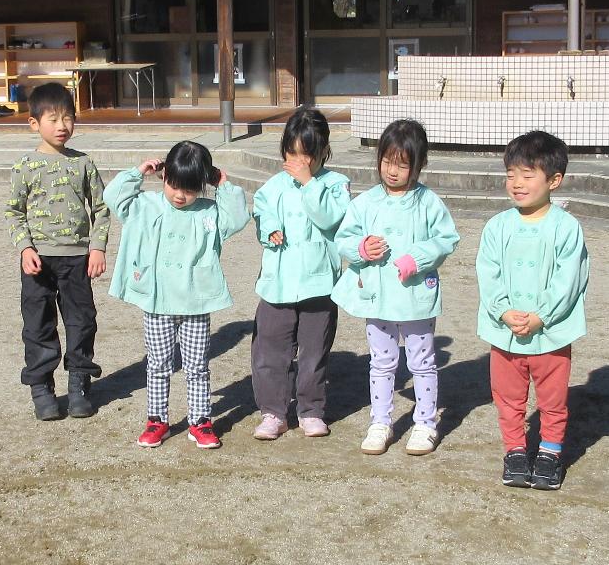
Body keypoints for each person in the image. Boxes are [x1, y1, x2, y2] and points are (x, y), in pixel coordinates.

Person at [106, 139, 250, 449]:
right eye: (174, 184)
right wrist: (137, 172)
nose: (180, 195)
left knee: (197, 366)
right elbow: (113, 198)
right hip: (157, 301)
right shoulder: (145, 206)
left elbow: (238, 218)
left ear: (202, 184)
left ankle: (200, 421)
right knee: (158, 364)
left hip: (196, 301)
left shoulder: (210, 212)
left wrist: (222, 183)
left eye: (190, 188)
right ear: (164, 175)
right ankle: (157, 420)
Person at [334, 118, 459, 456]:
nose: (392, 171)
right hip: (378, 297)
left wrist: (417, 257)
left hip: (416, 295)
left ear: (420, 165)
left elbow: (447, 238)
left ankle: (425, 423)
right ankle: (380, 421)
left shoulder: (428, 201)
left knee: (422, 362)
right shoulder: (366, 202)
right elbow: (343, 239)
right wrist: (361, 248)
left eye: (403, 165)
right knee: (382, 362)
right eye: (387, 161)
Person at [477, 130, 589, 490]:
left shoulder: (566, 228)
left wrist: (543, 315)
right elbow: (487, 271)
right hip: (505, 331)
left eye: (527, 175)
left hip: (552, 333)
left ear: (554, 180)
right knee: (508, 398)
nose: (517, 183)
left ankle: (550, 453)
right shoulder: (497, 226)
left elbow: (569, 278)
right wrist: (502, 310)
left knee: (552, 400)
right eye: (511, 174)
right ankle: (514, 450)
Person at [4, 82, 109, 422]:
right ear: (34, 123)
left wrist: (97, 248)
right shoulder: (25, 166)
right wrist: (24, 248)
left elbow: (102, 209)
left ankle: (79, 384)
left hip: (77, 259)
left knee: (81, 322)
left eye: (68, 118)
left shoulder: (84, 164)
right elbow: (14, 211)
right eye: (53, 119)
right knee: (38, 324)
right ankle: (42, 388)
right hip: (38, 261)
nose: (62, 126)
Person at [250, 108, 351, 441]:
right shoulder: (273, 186)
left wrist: (310, 184)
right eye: (290, 154)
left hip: (319, 283)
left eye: (305, 156)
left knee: (314, 351)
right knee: (270, 350)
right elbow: (261, 212)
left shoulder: (336, 185)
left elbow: (331, 219)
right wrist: (269, 229)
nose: (296, 163)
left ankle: (310, 410)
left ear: (323, 152)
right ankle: (273, 412)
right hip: (278, 282)